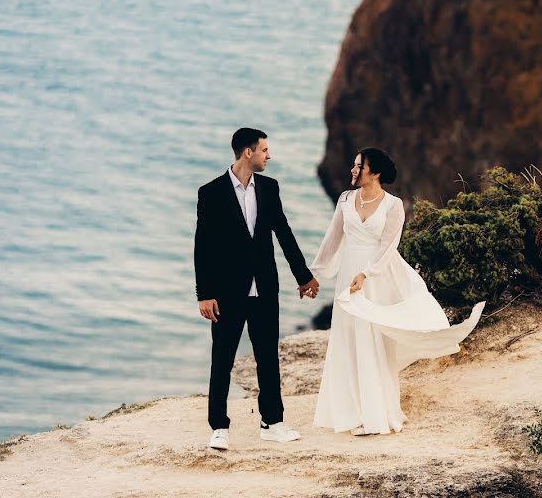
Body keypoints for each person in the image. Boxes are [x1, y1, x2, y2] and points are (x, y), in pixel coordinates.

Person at [310, 147, 484, 436]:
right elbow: (332, 240)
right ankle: (349, 411)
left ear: (374, 172)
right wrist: (314, 275)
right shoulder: (345, 199)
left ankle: (375, 414)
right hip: (347, 279)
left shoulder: (393, 206)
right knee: (347, 339)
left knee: (372, 341)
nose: (353, 170)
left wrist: (366, 274)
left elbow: (388, 246)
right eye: (353, 165)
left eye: (359, 166)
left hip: (373, 279)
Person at [194, 127, 320, 450]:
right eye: (265, 150)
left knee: (268, 358)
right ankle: (219, 427)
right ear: (247, 152)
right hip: (225, 294)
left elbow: (284, 232)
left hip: (264, 288)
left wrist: (303, 276)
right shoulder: (211, 193)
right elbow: (203, 247)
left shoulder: (269, 188)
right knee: (222, 360)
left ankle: (272, 421)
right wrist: (204, 293)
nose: (269, 155)